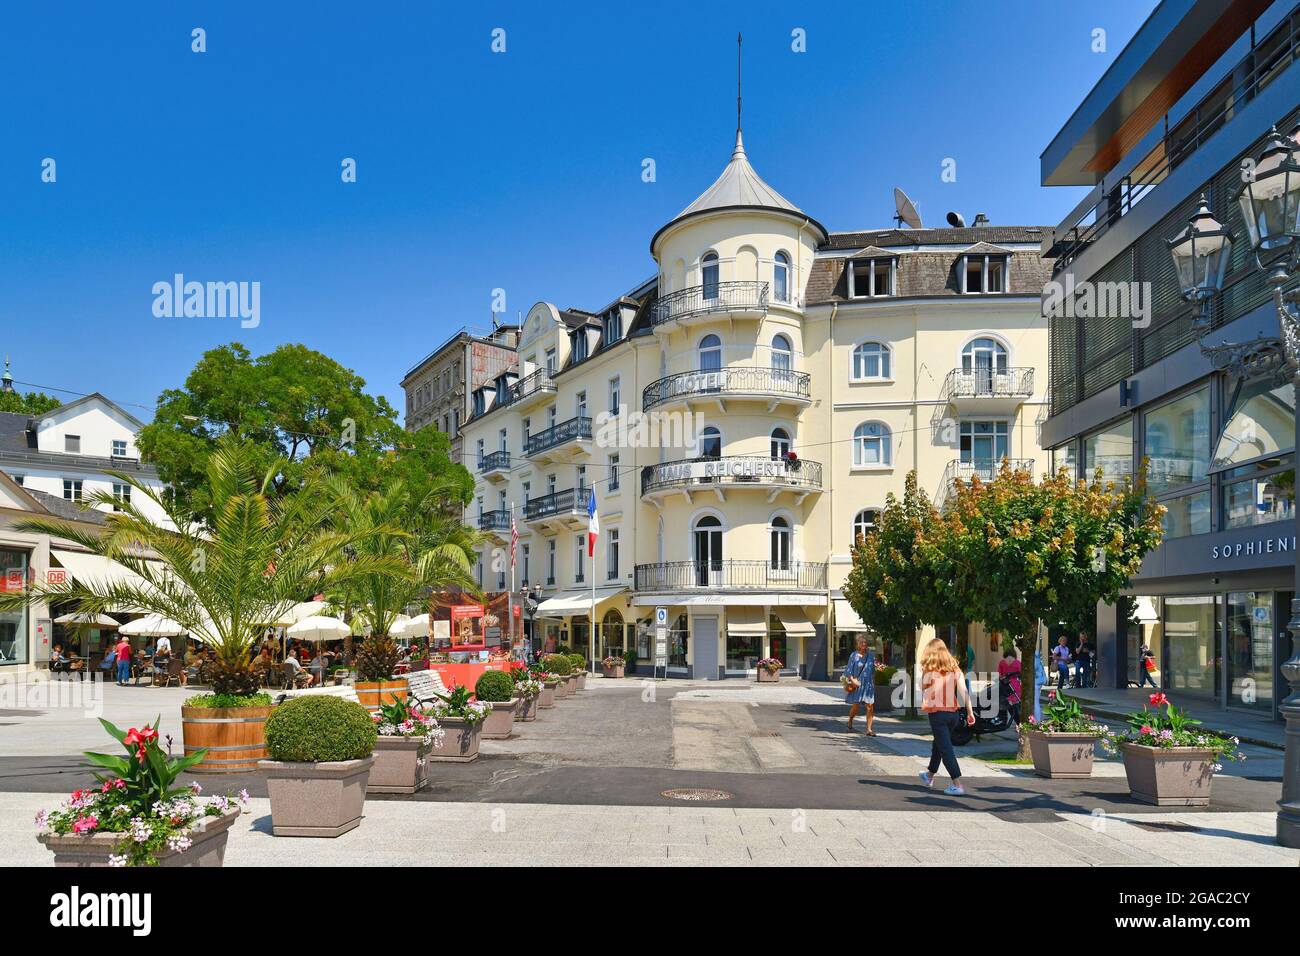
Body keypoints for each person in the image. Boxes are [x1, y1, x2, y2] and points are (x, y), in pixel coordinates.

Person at [918, 638, 976, 796]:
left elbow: (921, 686)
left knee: (945, 749)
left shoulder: (929, 668)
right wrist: (970, 712)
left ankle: (957, 784)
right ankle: (929, 776)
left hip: (938, 714)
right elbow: (964, 691)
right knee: (938, 744)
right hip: (953, 714)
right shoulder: (955, 667)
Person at [842, 636, 876, 735]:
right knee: (855, 706)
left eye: (865, 642)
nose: (863, 644)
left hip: (868, 684)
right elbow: (848, 671)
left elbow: (873, 671)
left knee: (870, 706)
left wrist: (874, 683)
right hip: (858, 684)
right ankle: (850, 719)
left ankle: (869, 729)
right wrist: (853, 681)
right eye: (861, 642)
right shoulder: (854, 655)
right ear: (858, 644)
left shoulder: (870, 655)